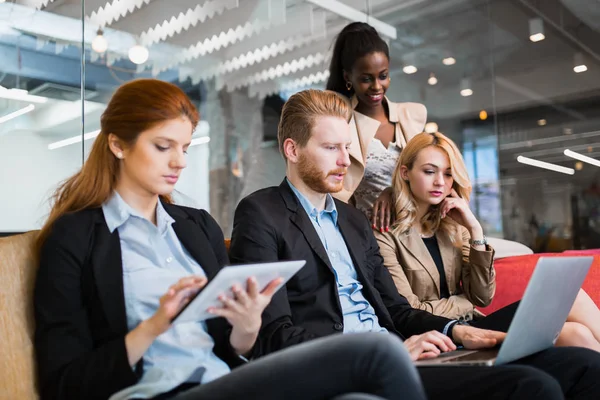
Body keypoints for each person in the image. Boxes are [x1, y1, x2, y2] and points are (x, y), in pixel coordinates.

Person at [33, 79, 427, 400]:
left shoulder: (195, 226)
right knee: (378, 352)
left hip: (227, 381)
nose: (180, 162)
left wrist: (247, 323)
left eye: (185, 148)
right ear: (117, 144)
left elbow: (236, 347)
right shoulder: (76, 238)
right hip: (159, 391)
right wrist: (154, 326)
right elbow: (64, 384)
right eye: (162, 146)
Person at [229, 88, 600, 400]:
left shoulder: (353, 220)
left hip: (403, 347)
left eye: (347, 147)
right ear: (292, 150)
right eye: (331, 148)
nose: (346, 161)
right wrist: (383, 351)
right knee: (535, 387)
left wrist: (453, 329)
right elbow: (274, 332)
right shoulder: (261, 214)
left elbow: (397, 309)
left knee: (585, 365)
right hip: (355, 364)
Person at [374, 130, 600, 352]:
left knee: (576, 332)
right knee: (570, 300)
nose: (440, 182)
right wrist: (465, 303)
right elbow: (411, 310)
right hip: (441, 334)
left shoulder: (454, 227)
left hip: (474, 325)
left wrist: (474, 229)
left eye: (449, 174)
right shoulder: (385, 234)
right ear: (405, 172)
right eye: (429, 171)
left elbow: (482, 297)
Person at [326, 21, 425, 231]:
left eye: (383, 76)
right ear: (347, 77)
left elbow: (431, 176)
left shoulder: (412, 118)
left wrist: (394, 191)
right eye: (366, 79)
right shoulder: (340, 125)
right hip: (367, 238)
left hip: (416, 233)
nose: (377, 86)